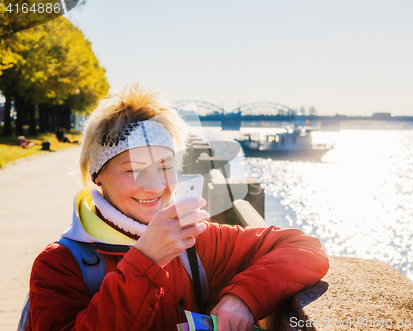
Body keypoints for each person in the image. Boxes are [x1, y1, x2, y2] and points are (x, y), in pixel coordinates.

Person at [26, 83, 329, 331]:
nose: (156, 186)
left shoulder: (195, 243)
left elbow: (305, 249)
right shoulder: (59, 265)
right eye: (133, 170)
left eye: (165, 166)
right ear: (97, 177)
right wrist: (146, 260)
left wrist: (244, 298)